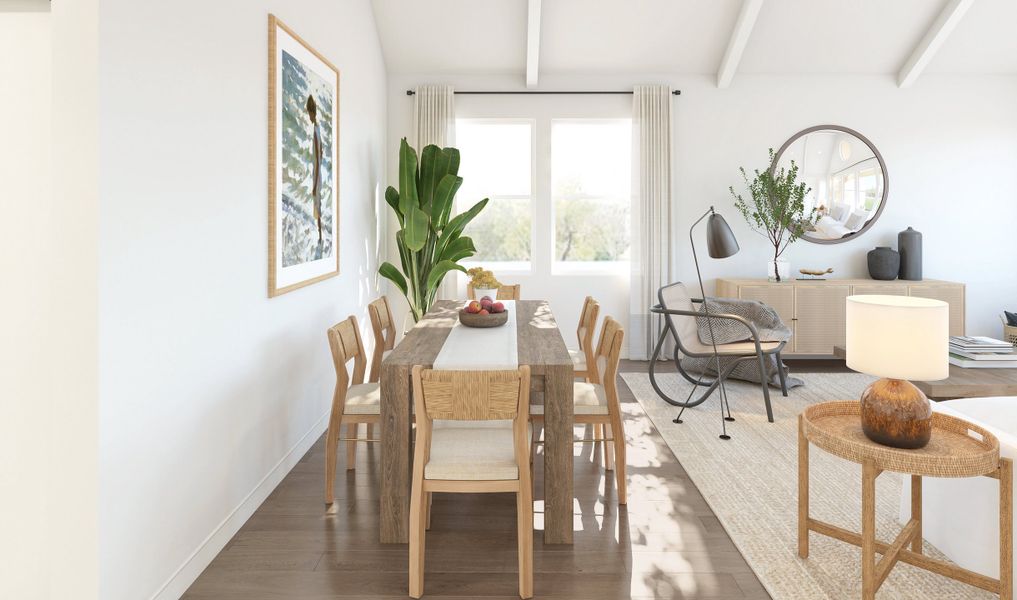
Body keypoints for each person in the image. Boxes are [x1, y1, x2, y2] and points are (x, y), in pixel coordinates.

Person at [306, 94, 323, 244]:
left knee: (317, 204)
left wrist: (315, 183)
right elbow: (321, 154)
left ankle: (320, 235)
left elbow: (317, 159)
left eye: (308, 113)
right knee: (318, 204)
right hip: (318, 173)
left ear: (312, 112)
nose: (309, 117)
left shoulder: (315, 132)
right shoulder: (317, 129)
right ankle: (320, 234)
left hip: (317, 175)